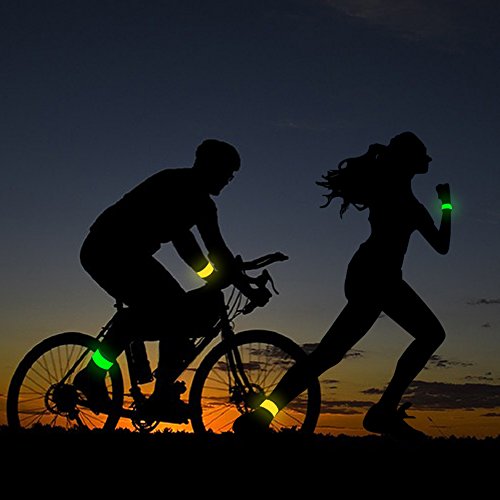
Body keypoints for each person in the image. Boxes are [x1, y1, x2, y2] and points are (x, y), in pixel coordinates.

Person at [233, 131, 452, 439]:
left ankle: (266, 414)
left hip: (371, 274)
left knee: (331, 353)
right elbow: (442, 245)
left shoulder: (386, 191)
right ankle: (381, 412)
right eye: (422, 154)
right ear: (410, 161)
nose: (428, 160)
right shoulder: (405, 202)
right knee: (422, 336)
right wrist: (447, 206)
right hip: (378, 278)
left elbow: (438, 246)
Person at [74, 139, 271, 422]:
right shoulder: (176, 184)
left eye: (231, 176)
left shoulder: (204, 205)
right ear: (207, 166)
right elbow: (188, 244)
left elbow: (215, 249)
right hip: (107, 249)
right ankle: (103, 378)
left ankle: (156, 387)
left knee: (171, 313)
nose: (227, 180)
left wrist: (241, 284)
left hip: (131, 255)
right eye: (226, 173)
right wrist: (227, 280)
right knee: (173, 310)